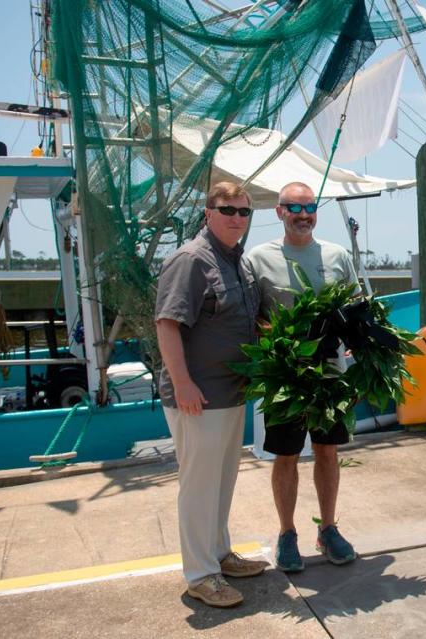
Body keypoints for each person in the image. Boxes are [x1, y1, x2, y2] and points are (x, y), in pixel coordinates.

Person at [155, 181, 267, 608]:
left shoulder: (236, 261)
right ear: (208, 213)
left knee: (222, 482)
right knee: (199, 487)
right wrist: (183, 383)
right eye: (228, 210)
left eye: (244, 212)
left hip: (230, 393)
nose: (237, 218)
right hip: (197, 397)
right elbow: (168, 324)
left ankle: (219, 554)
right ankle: (201, 575)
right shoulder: (191, 260)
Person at [246, 181, 360, 573]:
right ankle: (287, 533)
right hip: (285, 376)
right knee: (287, 455)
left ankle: (328, 528)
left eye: (310, 206)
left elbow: (355, 308)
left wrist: (361, 346)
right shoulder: (257, 258)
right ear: (279, 212)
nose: (303, 214)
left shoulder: (337, 255)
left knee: (328, 451)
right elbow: (249, 317)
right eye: (294, 208)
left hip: (329, 372)